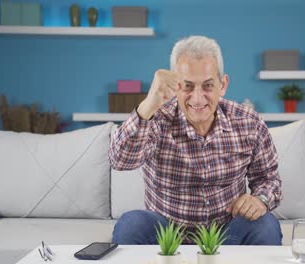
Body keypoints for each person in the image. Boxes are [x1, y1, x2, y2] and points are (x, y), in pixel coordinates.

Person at [109, 35, 282, 245]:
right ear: (175, 86)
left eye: (208, 86)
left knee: (266, 225)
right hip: (167, 236)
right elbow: (119, 160)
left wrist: (260, 200)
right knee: (130, 224)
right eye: (188, 86)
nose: (197, 98)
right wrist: (148, 104)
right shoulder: (157, 119)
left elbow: (269, 180)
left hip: (227, 233)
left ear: (223, 84)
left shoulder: (248, 122)